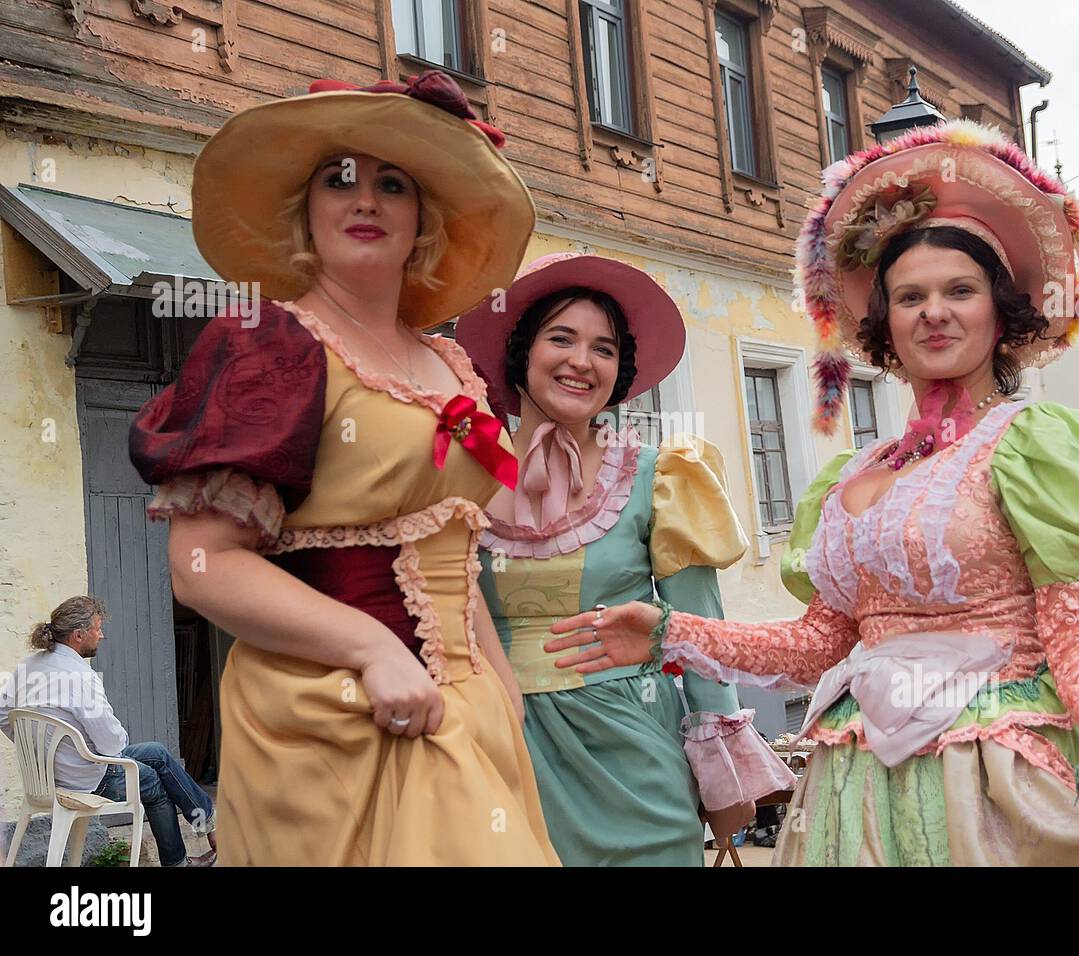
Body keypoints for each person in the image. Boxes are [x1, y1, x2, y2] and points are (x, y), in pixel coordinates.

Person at [545, 120, 1079, 866]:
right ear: (885, 322)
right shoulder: (852, 477)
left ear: (1000, 310)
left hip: (995, 777)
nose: (934, 312)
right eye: (910, 296)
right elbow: (818, 645)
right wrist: (668, 633)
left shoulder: (1033, 443)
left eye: (960, 291)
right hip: (861, 785)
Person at [128, 71, 558, 865]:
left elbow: (458, 554)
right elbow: (202, 564)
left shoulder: (449, 363)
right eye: (341, 181)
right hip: (334, 716)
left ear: (422, 220)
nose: (365, 201)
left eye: (392, 185)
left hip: (470, 715)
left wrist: (505, 693)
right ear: (308, 211)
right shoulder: (270, 343)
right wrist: (373, 648)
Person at [459, 252, 794, 865]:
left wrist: (724, 774)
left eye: (604, 348)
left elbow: (699, 631)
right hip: (495, 743)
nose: (581, 362)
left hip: (633, 748)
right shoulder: (459, 474)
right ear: (521, 352)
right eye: (561, 338)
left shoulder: (661, 475)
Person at [0, 596, 216, 867]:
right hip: (88, 780)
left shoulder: (29, 666)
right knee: (154, 783)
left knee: (158, 753)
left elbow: (2, 713)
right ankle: (179, 862)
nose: (101, 635)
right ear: (78, 635)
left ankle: (208, 823)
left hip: (49, 776)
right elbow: (112, 745)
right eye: (97, 628)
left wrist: (34, 749)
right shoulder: (80, 676)